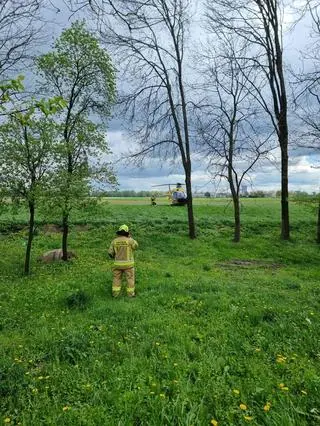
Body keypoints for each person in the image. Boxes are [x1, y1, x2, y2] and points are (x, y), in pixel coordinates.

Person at [108, 224, 139, 298]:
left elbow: (110, 252)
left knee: (116, 278)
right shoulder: (130, 240)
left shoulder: (114, 241)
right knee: (130, 279)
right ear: (127, 232)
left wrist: (114, 256)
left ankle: (115, 294)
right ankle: (131, 295)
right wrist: (131, 238)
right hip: (128, 265)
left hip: (117, 264)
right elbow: (136, 246)